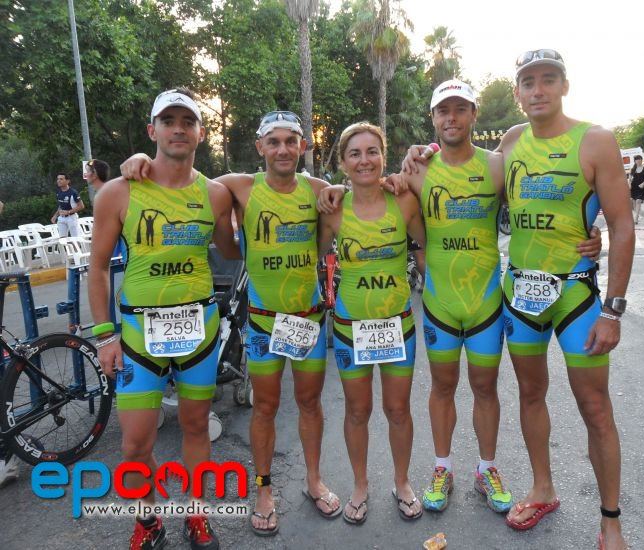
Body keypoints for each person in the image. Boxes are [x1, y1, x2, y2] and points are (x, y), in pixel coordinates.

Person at [322, 79, 602, 518]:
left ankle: (487, 469)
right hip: (440, 304)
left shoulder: (497, 166)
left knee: (485, 387)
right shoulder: (416, 172)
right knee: (442, 387)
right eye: (442, 111)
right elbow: (375, 190)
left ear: (474, 114)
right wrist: (338, 189)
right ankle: (442, 468)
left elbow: (541, 200)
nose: (451, 118)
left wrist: (587, 232)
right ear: (433, 118)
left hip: (486, 302)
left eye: (459, 109)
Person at [121, 110, 342, 537]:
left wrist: (345, 187)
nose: (282, 149)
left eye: (290, 141)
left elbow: (359, 195)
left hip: (307, 320)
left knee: (311, 404)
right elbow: (181, 176)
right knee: (265, 407)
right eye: (273, 141)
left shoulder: (319, 190)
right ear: (259, 147)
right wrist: (141, 160)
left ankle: (314, 480)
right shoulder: (237, 187)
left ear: (303, 146)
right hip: (263, 322)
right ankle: (264, 491)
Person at [89, 88, 239, 550]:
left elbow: (233, 249)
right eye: (168, 121)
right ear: (152, 130)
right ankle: (149, 520)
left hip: (199, 329)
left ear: (200, 133)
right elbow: (97, 267)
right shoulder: (119, 191)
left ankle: (196, 513)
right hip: (138, 333)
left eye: (187, 121)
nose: (178, 129)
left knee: (196, 427)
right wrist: (104, 336)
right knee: (135, 444)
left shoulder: (216, 194)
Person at [497, 50, 634, 550]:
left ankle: (611, 523)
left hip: (575, 294)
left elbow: (621, 225)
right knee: (530, 393)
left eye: (548, 80)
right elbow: (464, 171)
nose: (538, 90)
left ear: (564, 86)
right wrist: (419, 156)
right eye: (528, 82)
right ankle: (543, 488)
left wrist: (612, 309)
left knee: (595, 406)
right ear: (517, 92)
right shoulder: (512, 141)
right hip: (521, 292)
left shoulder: (595, 140)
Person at [318, 122, 426, 524]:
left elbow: (426, 248)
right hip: (351, 328)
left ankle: (402, 482)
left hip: (397, 324)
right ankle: (360, 486)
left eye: (372, 151)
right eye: (355, 154)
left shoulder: (404, 201)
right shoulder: (333, 210)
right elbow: (313, 254)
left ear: (383, 156)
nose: (364, 160)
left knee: (398, 410)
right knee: (357, 411)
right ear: (343, 163)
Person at [627, 155, 644, 224]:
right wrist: (629, 185)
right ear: (635, 161)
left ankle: (636, 218)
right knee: (633, 202)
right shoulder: (633, 169)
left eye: (640, 159)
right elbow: (630, 179)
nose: (638, 160)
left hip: (641, 187)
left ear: (642, 160)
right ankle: (636, 215)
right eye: (637, 159)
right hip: (633, 187)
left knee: (638, 201)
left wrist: (643, 183)